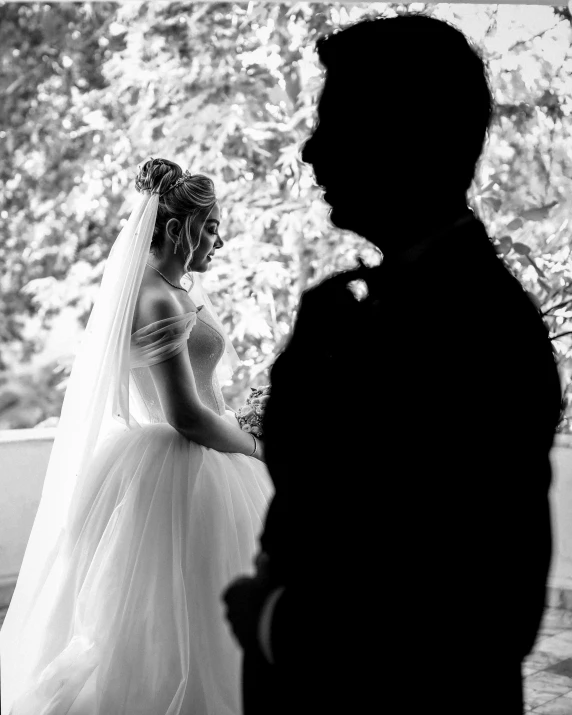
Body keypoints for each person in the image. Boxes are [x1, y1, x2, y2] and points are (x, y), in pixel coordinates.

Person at [222, 14, 562, 715]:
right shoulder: (366, 307)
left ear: (401, 134)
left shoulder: (480, 325)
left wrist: (271, 619)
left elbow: (483, 609)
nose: (311, 152)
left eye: (332, 120)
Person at [1, 158, 273, 715]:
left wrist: (244, 416)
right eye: (212, 225)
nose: (219, 240)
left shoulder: (165, 288)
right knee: (175, 618)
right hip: (185, 463)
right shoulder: (155, 299)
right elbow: (187, 416)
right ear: (178, 229)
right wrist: (255, 445)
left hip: (189, 454)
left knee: (183, 612)